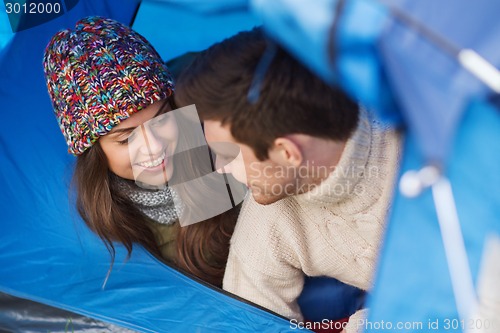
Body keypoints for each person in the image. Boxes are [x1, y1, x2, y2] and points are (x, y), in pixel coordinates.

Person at [175, 28, 401, 331]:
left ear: (286, 151)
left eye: (227, 154)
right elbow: (248, 322)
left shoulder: (421, 152)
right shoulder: (271, 209)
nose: (219, 169)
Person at [42, 16, 240, 287]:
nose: (153, 146)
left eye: (162, 119)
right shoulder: (88, 230)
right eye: (125, 139)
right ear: (93, 152)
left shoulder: (229, 154)